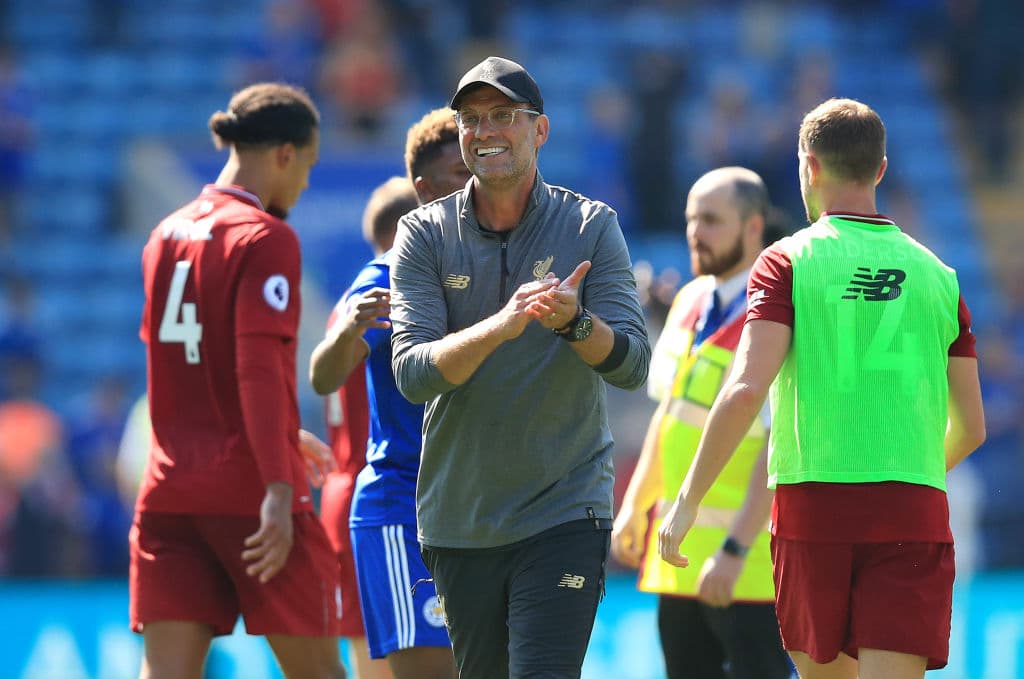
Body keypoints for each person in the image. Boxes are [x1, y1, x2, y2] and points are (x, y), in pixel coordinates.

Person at [657, 98, 987, 679]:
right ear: (880, 169)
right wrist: (908, 473)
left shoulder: (785, 263)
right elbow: (972, 428)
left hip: (815, 513)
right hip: (912, 510)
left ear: (807, 166)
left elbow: (744, 389)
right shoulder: (941, 277)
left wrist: (687, 502)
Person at [388, 56, 651, 679]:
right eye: (471, 119)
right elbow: (412, 372)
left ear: (541, 130)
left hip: (564, 509)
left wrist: (574, 324)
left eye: (503, 115)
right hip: (460, 519)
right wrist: (500, 327)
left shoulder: (590, 226)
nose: (485, 131)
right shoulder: (422, 233)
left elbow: (633, 364)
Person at [132, 82, 347, 679]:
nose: (304, 183)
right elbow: (253, 366)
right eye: (307, 165)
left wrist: (282, 429)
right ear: (285, 154)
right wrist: (278, 487)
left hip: (170, 492)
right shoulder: (264, 238)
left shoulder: (165, 235)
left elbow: (178, 369)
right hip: (252, 494)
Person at [611, 167, 791, 679]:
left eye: (711, 220)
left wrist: (734, 549)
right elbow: (668, 419)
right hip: (678, 559)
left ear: (754, 227)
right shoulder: (689, 302)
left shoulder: (778, 311)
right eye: (692, 219)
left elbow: (777, 444)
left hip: (751, 566)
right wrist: (634, 507)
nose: (696, 231)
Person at [310, 107, 470, 679]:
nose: (476, 180)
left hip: (481, 513)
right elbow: (324, 375)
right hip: (404, 508)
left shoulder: (498, 266)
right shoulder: (388, 275)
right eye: (460, 170)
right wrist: (351, 330)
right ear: (423, 192)